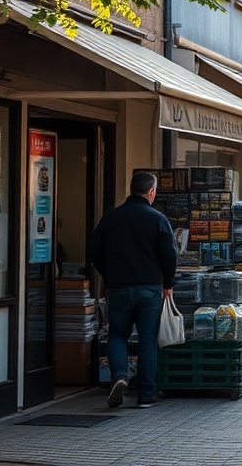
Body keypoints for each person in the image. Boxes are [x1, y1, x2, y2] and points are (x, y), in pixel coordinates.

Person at [90, 171, 177, 410]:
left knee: (118, 335)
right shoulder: (158, 219)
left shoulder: (111, 217)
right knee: (148, 339)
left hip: (119, 288)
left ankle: (119, 376)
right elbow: (169, 255)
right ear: (151, 192)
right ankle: (146, 394)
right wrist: (168, 284)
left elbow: (94, 250)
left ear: (131, 189)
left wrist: (109, 274)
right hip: (150, 289)